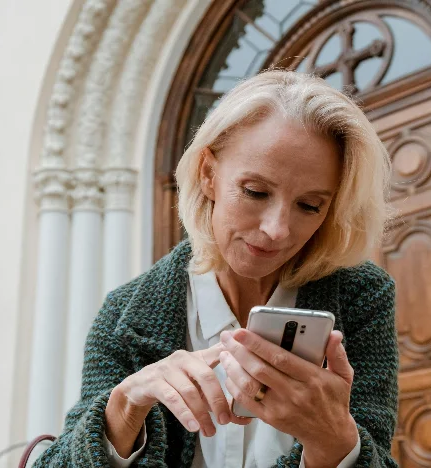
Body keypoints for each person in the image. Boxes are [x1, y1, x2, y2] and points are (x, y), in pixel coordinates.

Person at [34, 70, 399, 468]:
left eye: (310, 205)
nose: (276, 230)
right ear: (208, 174)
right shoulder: (124, 315)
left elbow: (377, 452)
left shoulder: (361, 296)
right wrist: (122, 410)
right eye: (255, 192)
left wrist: (335, 441)